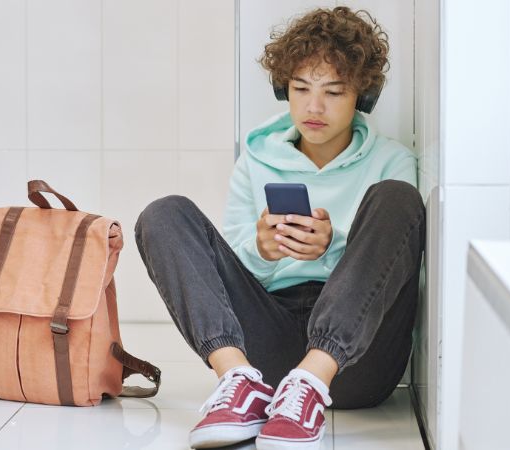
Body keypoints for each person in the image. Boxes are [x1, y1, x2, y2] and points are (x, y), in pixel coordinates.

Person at [134, 6, 425, 450]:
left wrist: (332, 248)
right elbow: (222, 268)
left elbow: (394, 268)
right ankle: (236, 379)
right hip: (268, 351)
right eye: (300, 88)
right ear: (283, 89)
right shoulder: (256, 158)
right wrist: (262, 250)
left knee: (396, 198)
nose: (313, 107)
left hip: (355, 366)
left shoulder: (393, 162)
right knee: (163, 213)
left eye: (333, 91)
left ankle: (311, 380)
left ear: (362, 96)